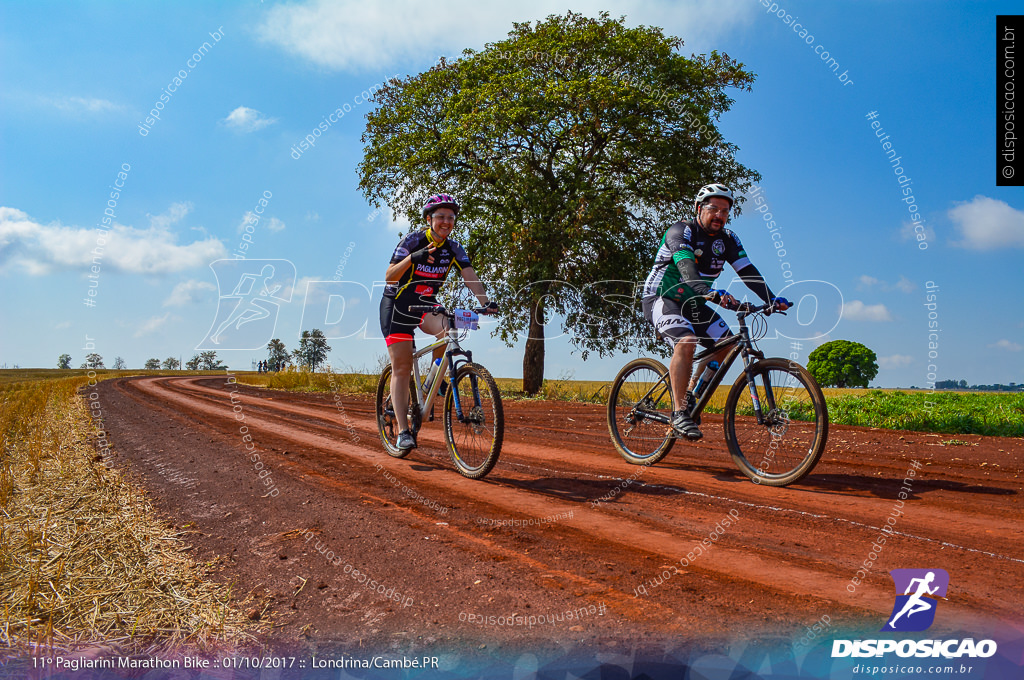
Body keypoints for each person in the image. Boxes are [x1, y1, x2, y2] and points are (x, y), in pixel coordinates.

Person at [641, 183, 791, 440]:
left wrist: (771, 298)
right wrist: (708, 292)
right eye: (714, 209)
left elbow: (747, 271)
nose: (720, 215)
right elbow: (686, 268)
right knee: (687, 341)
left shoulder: (728, 239)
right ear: (699, 209)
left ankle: (691, 394)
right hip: (662, 298)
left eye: (725, 211)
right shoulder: (681, 231)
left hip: (695, 303)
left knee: (726, 346)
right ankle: (678, 413)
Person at [380, 193, 496, 451]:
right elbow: (389, 277)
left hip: (424, 304)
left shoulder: (454, 248)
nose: (446, 221)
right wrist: (413, 258)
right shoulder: (412, 241)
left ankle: (432, 383)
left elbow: (469, 275)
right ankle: (403, 432)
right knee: (402, 366)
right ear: (429, 219)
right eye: (441, 216)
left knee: (448, 329)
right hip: (397, 306)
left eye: (451, 217)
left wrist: (485, 301)